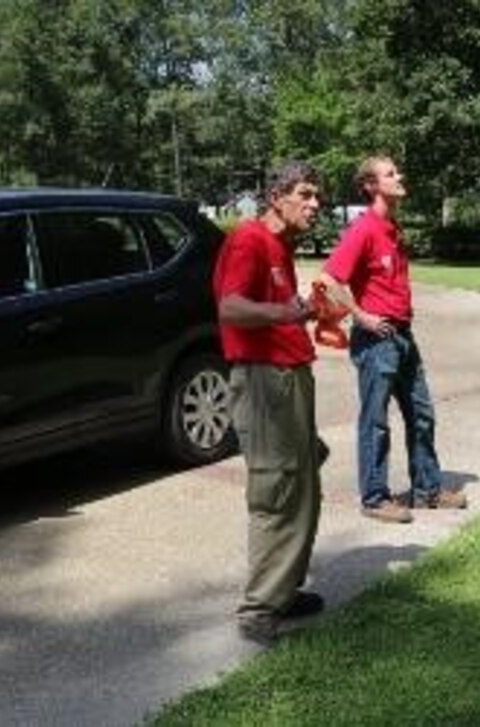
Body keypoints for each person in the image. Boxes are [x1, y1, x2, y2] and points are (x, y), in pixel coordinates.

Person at [213, 161, 326, 643]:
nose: (314, 203)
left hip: (288, 376)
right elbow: (231, 306)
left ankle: (283, 590)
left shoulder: (280, 244)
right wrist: (286, 312)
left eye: (317, 195)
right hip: (263, 383)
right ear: (277, 197)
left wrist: (306, 311)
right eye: (305, 194)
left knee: (303, 484)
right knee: (276, 490)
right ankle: (258, 609)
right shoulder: (249, 239)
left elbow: (274, 308)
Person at [318, 156, 466, 523]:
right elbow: (330, 279)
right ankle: (375, 497)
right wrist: (362, 316)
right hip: (377, 341)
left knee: (421, 413)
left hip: (402, 335)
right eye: (390, 174)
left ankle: (427, 490)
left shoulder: (391, 228)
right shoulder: (364, 229)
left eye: (397, 171)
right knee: (376, 421)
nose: (399, 177)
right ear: (371, 186)